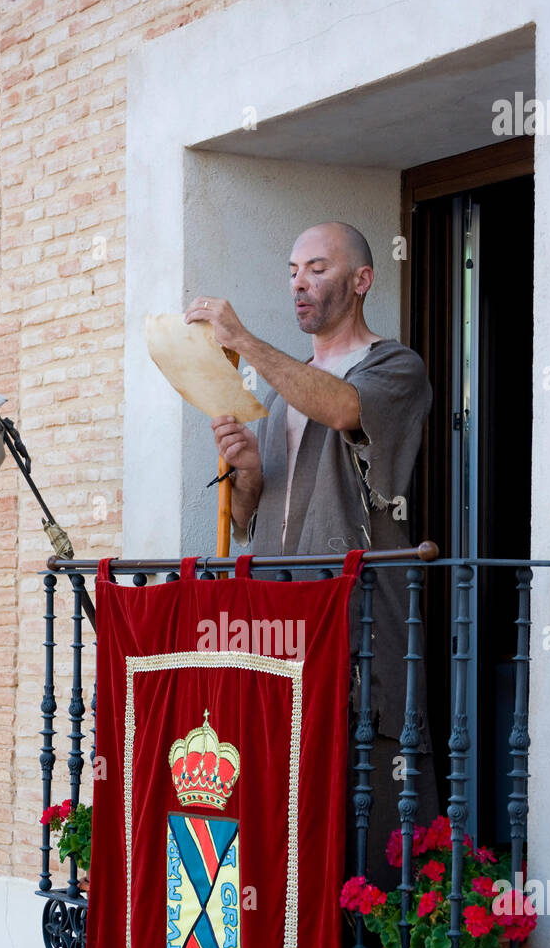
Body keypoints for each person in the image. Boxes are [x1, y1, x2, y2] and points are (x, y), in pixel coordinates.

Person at [183, 221, 438, 890]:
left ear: (361, 281)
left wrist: (242, 341)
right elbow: (247, 522)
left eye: (317, 268)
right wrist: (242, 472)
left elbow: (344, 407)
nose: (299, 283)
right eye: (293, 269)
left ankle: (367, 941)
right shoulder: (276, 392)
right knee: (279, 795)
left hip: (350, 622)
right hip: (274, 623)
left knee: (358, 793)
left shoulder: (393, 367)